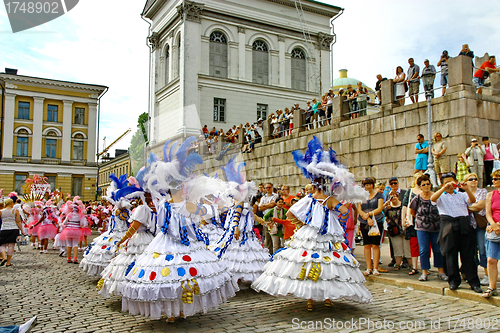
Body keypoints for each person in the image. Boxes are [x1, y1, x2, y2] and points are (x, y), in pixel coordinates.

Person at [252, 136, 372, 311]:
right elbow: (346, 211)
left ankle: (309, 299)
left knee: (308, 262)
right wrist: (339, 221)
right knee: (329, 265)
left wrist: (301, 224)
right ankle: (327, 297)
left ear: (313, 184)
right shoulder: (329, 199)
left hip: (308, 234)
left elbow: (291, 212)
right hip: (328, 235)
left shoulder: (309, 198)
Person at [431, 172, 482, 292]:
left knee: (468, 255)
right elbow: (433, 199)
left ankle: (473, 281)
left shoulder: (461, 194)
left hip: (463, 223)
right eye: (446, 182)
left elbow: (472, 200)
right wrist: (444, 188)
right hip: (448, 224)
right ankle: (453, 280)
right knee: (451, 255)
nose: (450, 184)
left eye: (451, 181)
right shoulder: (441, 196)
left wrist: (466, 189)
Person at [409, 174, 447, 281]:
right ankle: (424, 271)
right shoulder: (417, 198)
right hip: (422, 228)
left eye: (428, 184)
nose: (426, 186)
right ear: (420, 186)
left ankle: (441, 271)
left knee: (438, 249)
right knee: (424, 250)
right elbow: (413, 212)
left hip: (436, 227)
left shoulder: (436, 195)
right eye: (423, 184)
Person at [464, 173, 489, 286]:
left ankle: (487, 274)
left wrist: (467, 207)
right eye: (471, 179)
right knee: (470, 251)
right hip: (468, 225)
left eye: (476, 179)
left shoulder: (482, 191)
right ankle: (472, 274)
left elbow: (480, 206)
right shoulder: (463, 193)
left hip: (479, 224)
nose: (474, 181)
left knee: (483, 249)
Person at [357, 177, 384, 276]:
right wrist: (366, 217)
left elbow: (380, 208)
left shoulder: (378, 195)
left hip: (376, 221)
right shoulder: (361, 196)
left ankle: (375, 267)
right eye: (366, 185)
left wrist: (370, 214)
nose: (368, 186)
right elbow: (359, 209)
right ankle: (368, 267)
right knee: (367, 244)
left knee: (375, 245)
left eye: (369, 184)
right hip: (364, 222)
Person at [482, 169, 500, 297]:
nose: (493, 181)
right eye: (492, 179)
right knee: (491, 260)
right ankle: (492, 286)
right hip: (494, 229)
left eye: (496, 179)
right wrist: (493, 224)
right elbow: (488, 213)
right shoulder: (490, 195)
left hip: (497, 226)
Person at [383, 189, 410, 271]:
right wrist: (385, 205)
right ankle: (397, 264)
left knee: (407, 248)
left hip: (404, 229)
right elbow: (384, 215)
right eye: (391, 196)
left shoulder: (403, 206)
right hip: (394, 230)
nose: (393, 197)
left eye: (395, 196)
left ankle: (411, 265)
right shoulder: (388, 208)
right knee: (397, 248)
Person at [402, 172, 423, 275]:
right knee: (414, 244)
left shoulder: (426, 190)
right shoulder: (410, 191)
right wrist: (403, 220)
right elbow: (405, 206)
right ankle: (414, 266)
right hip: (412, 221)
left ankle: (424, 266)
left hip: (424, 221)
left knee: (424, 245)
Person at [0, 199, 24, 267]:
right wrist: (21, 230)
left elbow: (2, 221)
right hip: (14, 229)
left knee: (1, 244)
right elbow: (18, 221)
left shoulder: (1, 211)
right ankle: (8, 262)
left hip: (4, 229)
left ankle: (4, 257)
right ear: (11, 203)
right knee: (11, 245)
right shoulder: (15, 211)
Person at [258, 183, 278, 254]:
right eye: (266, 188)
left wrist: (264, 205)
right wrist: (268, 205)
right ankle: (269, 252)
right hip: (265, 217)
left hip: (272, 217)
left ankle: (275, 252)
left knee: (274, 235)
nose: (267, 189)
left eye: (269, 187)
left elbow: (273, 204)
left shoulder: (275, 195)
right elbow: (259, 208)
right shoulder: (263, 197)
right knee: (267, 236)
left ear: (272, 188)